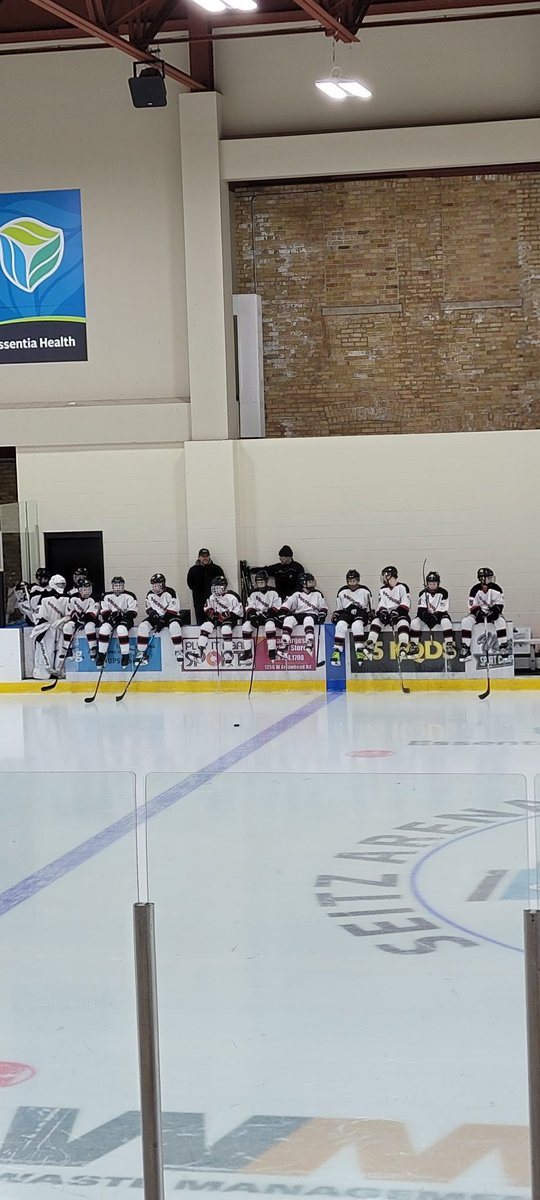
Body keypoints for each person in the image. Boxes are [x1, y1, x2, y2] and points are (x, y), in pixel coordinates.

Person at [459, 567, 510, 661]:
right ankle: (466, 648)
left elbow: (500, 603)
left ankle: (503, 646)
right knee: (466, 621)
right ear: (482, 578)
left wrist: (495, 611)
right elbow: (471, 604)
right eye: (488, 577)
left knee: (501, 621)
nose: (491, 579)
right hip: (478, 613)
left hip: (492, 613)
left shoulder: (497, 588)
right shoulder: (474, 589)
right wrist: (478, 612)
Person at [363, 567, 410, 661]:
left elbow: (406, 602)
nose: (384, 578)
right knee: (376, 620)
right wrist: (382, 612)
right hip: (388, 614)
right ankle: (370, 644)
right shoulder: (382, 589)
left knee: (404, 622)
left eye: (385, 575)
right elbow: (381, 603)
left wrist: (398, 611)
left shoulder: (402, 587)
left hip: (400, 613)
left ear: (391, 575)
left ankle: (403, 646)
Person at [137, 573, 185, 666]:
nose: (155, 587)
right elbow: (148, 608)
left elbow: (174, 609)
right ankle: (142, 652)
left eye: (157, 585)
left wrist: (163, 621)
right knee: (143, 626)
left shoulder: (170, 592)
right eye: (153, 585)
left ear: (163, 584)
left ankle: (178, 651)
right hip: (157, 617)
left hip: (171, 616)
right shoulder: (150, 594)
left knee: (174, 626)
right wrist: (152, 614)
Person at [197, 576, 243, 666]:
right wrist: (213, 614)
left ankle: (228, 652)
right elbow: (207, 608)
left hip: (229, 619)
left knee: (225, 629)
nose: (215, 589)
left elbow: (239, 611)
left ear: (224, 586)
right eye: (214, 586)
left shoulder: (232, 596)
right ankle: (200, 650)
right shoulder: (211, 597)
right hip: (217, 618)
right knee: (205, 627)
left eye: (217, 586)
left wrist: (225, 615)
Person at [31, 574, 70, 679]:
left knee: (61, 650)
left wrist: (65, 619)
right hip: (48, 628)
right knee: (46, 650)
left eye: (63, 584)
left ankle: (59, 671)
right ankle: (42, 673)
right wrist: (42, 623)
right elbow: (39, 614)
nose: (61, 586)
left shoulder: (67, 597)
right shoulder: (44, 597)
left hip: (61, 627)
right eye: (59, 584)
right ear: (53, 584)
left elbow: (70, 612)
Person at [279, 572, 327, 658]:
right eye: (309, 582)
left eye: (312, 581)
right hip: (299, 614)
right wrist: (282, 613)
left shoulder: (317, 594)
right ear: (303, 583)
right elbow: (287, 604)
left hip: (312, 615)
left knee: (308, 619)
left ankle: (309, 642)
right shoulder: (296, 594)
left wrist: (322, 615)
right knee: (288, 619)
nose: (312, 584)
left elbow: (323, 606)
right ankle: (284, 644)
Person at [408, 571, 455, 657]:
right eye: (430, 583)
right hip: (427, 616)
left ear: (438, 583)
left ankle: (449, 644)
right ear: (427, 584)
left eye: (434, 583)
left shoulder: (443, 592)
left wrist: (435, 617)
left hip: (440, 615)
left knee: (446, 622)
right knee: (414, 623)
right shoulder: (422, 593)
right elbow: (420, 609)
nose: (432, 585)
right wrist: (426, 616)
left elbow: (442, 608)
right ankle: (414, 646)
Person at [331, 570, 373, 666]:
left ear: (358, 580)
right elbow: (339, 608)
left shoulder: (365, 590)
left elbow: (370, 607)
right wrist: (336, 614)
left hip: (361, 612)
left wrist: (371, 615)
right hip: (347, 612)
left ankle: (359, 649)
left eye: (354, 581)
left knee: (357, 625)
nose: (352, 583)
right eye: (350, 581)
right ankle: (337, 649)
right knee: (340, 625)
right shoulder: (342, 591)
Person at [57, 578, 100, 670]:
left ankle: (93, 648)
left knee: (89, 627)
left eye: (89, 589)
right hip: (77, 620)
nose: (88, 591)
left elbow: (91, 614)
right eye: (85, 589)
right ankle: (67, 648)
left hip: (91, 621)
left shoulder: (95, 598)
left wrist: (81, 621)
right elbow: (70, 612)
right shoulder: (73, 598)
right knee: (67, 626)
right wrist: (68, 619)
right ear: (79, 589)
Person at [97, 576, 138, 670]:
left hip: (126, 619)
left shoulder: (130, 595)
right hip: (112, 618)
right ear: (112, 586)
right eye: (116, 585)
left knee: (121, 629)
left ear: (123, 585)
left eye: (120, 585)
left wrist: (123, 616)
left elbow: (133, 612)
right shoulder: (106, 596)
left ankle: (125, 655)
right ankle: (102, 654)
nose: (118, 587)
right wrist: (111, 616)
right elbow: (104, 612)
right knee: (104, 629)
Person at [240, 570, 281, 663]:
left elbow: (277, 606)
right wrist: (253, 616)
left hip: (269, 616)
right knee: (246, 626)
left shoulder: (274, 592)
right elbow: (250, 606)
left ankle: (272, 651)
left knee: (270, 626)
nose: (260, 584)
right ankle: (247, 652)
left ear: (266, 581)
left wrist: (267, 614)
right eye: (258, 582)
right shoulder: (253, 593)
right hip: (257, 616)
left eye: (262, 582)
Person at [187, 549, 224, 626]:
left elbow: (223, 583)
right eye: (203, 556)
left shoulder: (217, 569)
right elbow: (190, 584)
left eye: (207, 556)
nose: (205, 558)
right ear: (199, 557)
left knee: (215, 622)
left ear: (209, 557)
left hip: (214, 600)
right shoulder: (193, 570)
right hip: (199, 601)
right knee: (201, 623)